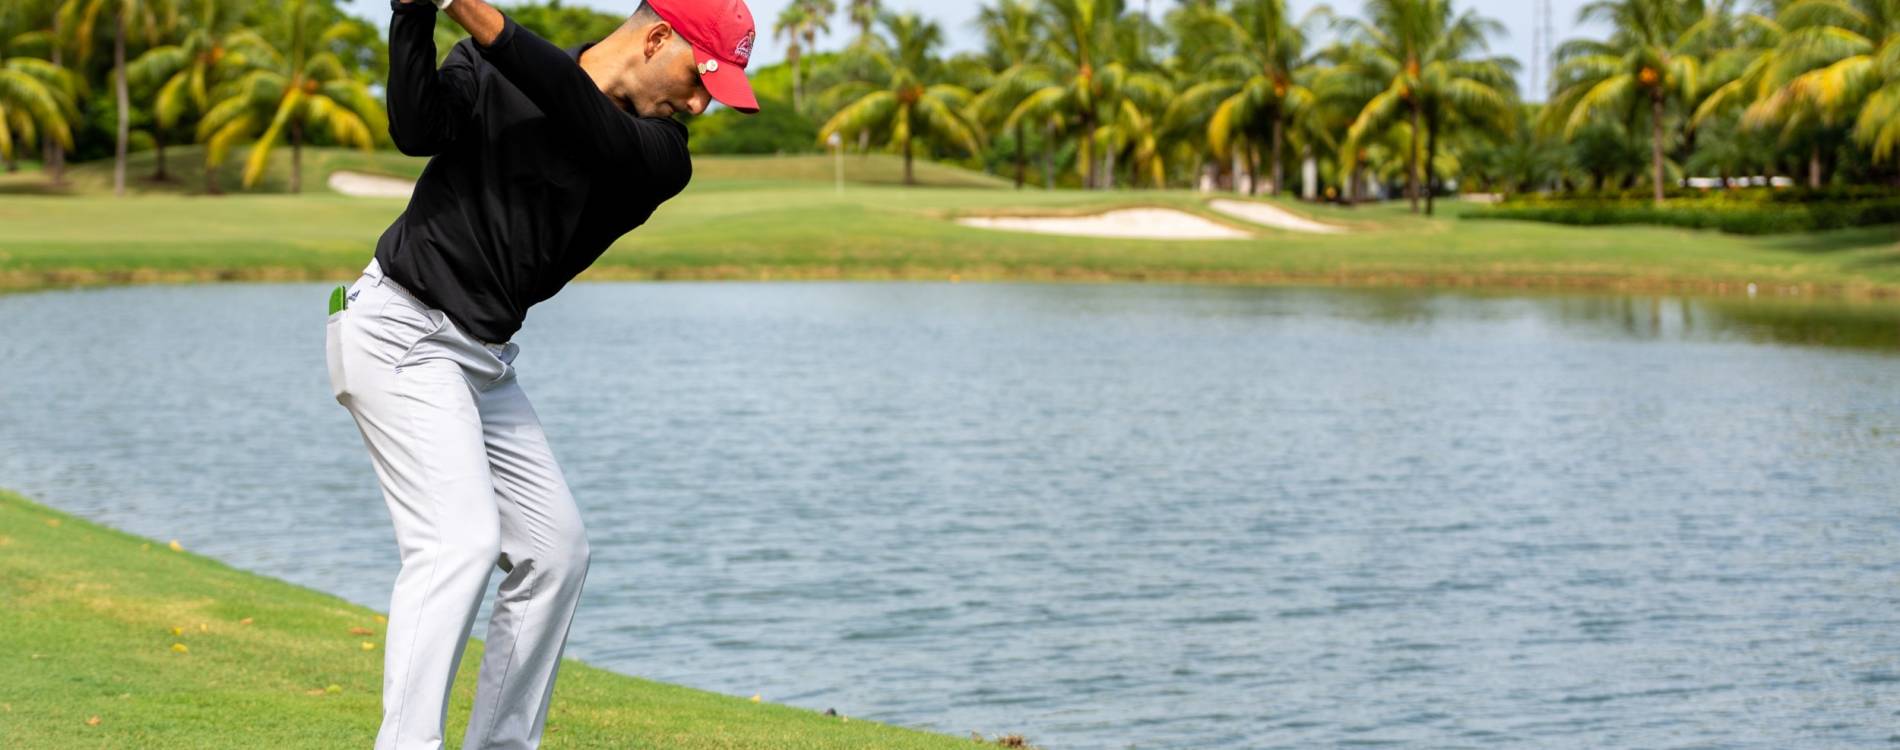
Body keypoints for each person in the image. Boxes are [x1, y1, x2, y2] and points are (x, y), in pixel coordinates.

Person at [322, 0, 759, 747]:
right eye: (698, 79)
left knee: (556, 555)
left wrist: (473, 12)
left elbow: (576, 109)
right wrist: (412, 16)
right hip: (399, 329)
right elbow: (416, 131)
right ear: (657, 37)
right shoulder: (489, 66)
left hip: (482, 361)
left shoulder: (661, 154)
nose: (697, 103)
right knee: (457, 543)